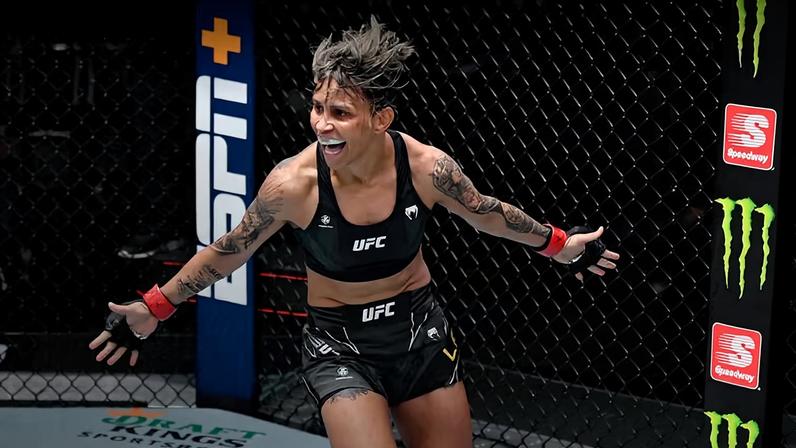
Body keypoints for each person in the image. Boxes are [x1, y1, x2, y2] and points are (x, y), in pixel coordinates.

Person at [89, 17, 620, 448]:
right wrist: (154, 306)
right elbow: (231, 249)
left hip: (418, 333)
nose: (322, 123)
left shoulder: (426, 167)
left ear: (380, 118)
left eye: (340, 113)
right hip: (338, 343)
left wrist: (558, 245)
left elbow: (484, 211)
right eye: (318, 108)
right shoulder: (292, 184)